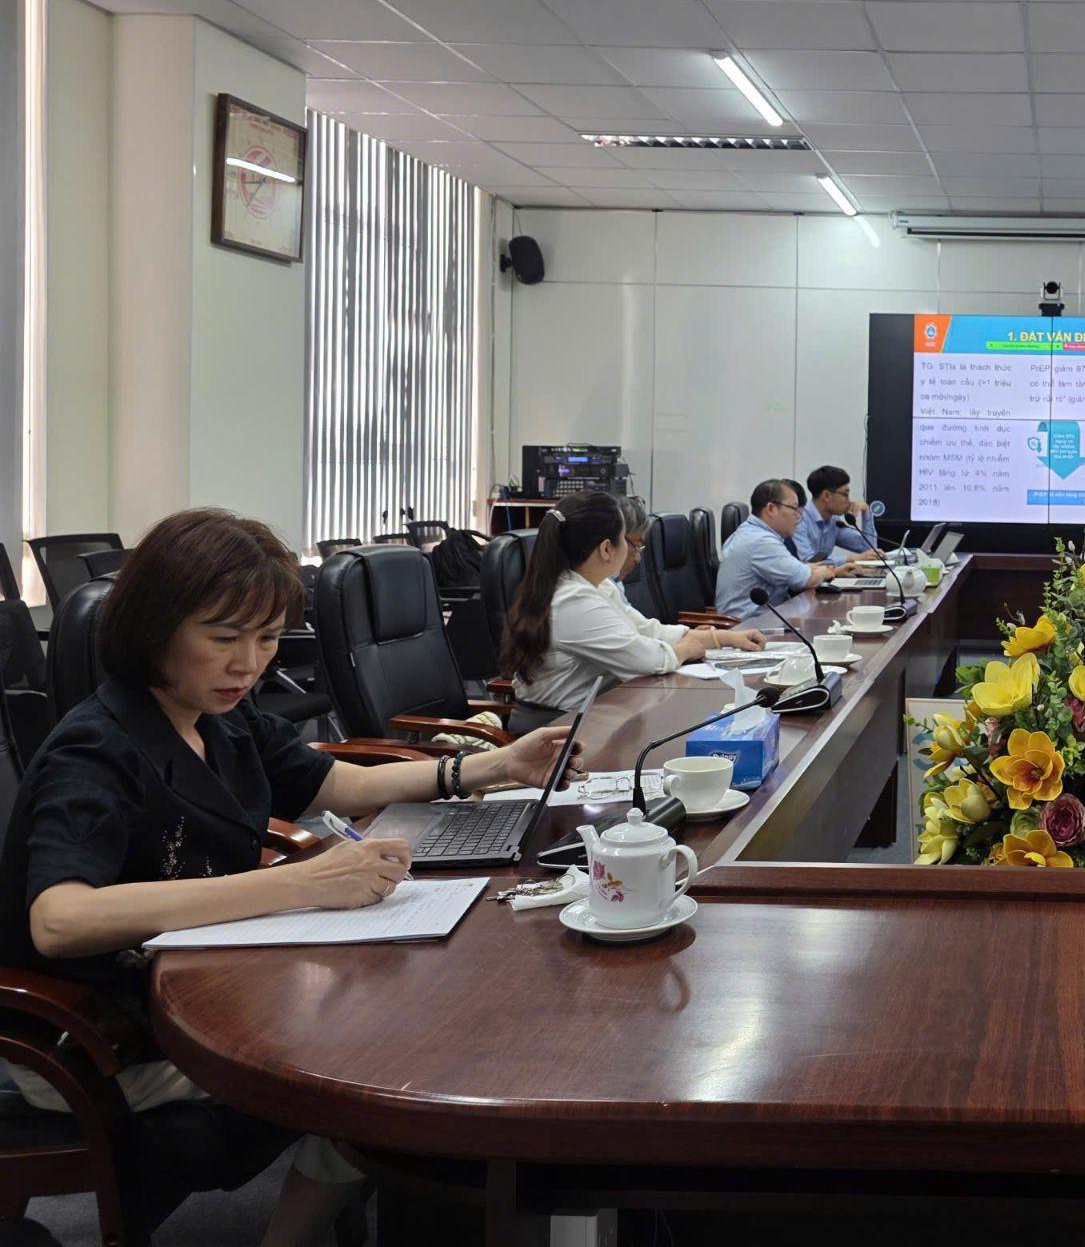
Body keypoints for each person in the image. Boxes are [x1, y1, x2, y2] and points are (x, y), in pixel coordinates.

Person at [0, 508, 577, 1244]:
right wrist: (299, 885)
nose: (249, 664)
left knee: (402, 1016)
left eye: (267, 639)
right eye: (223, 638)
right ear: (154, 628)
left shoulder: (218, 716)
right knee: (387, 1058)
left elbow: (336, 783)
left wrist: (488, 767)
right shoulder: (96, 747)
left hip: (196, 985)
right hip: (97, 1035)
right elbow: (60, 918)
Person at [503, 492, 765, 710]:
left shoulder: (597, 585)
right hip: (554, 728)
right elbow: (646, 659)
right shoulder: (573, 600)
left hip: (593, 713)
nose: (636, 553)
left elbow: (647, 631)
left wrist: (725, 638)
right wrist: (685, 649)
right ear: (607, 548)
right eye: (626, 540)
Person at [718, 478, 852, 619]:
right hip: (749, 626)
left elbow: (795, 570)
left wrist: (831, 570)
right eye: (794, 509)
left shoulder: (752, 532)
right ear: (771, 509)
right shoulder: (761, 541)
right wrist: (830, 572)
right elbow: (806, 579)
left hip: (764, 621)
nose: (798, 518)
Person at [795, 464, 882, 563]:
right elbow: (809, 560)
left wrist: (866, 513)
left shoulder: (834, 521)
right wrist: (851, 559)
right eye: (845, 494)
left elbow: (868, 549)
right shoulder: (799, 519)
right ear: (826, 496)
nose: (849, 501)